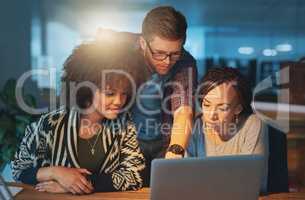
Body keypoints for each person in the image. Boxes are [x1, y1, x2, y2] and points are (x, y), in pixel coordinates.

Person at [11, 41, 145, 194]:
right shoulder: (51, 123)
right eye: (110, 93)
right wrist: (56, 172)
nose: (119, 101)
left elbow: (135, 175)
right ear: (87, 89)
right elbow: (19, 169)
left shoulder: (123, 123)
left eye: (124, 93)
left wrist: (76, 185)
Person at [97, 6, 197, 185]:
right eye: (159, 53)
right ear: (143, 43)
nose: (167, 62)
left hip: (163, 140)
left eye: (174, 53)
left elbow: (183, 111)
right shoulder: (119, 50)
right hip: (125, 140)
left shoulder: (185, 62)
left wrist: (175, 151)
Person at [187, 67, 269, 192]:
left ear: (238, 108)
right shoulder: (196, 125)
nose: (211, 115)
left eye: (222, 108)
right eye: (207, 104)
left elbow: (252, 182)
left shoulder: (253, 125)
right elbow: (185, 177)